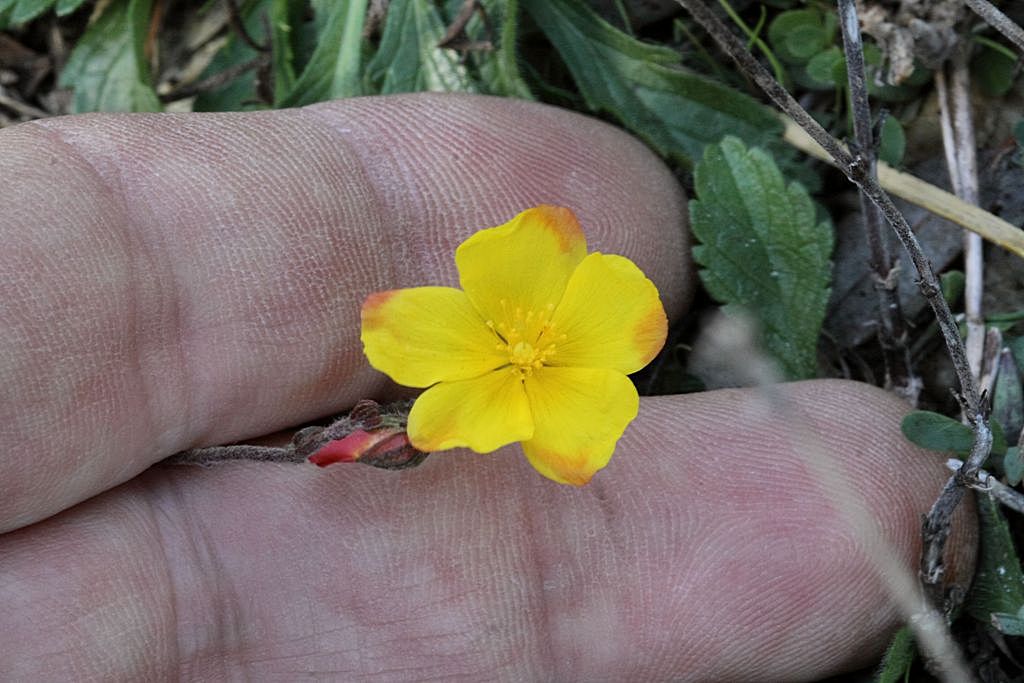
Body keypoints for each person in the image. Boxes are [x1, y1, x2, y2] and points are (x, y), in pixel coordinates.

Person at [0, 93, 972, 681]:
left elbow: (611, 331)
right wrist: (395, 434)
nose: (523, 342)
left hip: (555, 393)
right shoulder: (432, 367)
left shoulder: (583, 348)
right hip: (463, 403)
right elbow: (414, 358)